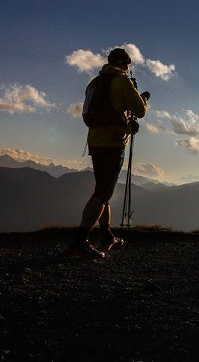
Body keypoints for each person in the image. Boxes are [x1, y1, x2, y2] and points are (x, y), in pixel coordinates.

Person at [68, 47, 150, 259]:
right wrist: (143, 99)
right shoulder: (122, 81)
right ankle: (79, 240)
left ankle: (106, 235)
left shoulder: (94, 83)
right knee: (103, 193)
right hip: (113, 144)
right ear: (125, 64)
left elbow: (89, 113)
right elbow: (139, 111)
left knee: (102, 190)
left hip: (95, 142)